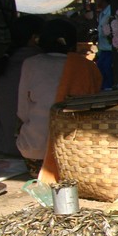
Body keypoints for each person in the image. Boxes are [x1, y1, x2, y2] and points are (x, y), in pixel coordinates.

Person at [16, 19, 102, 178]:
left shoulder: (30, 64)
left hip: (35, 152)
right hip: (76, 154)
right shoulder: (87, 67)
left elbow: (22, 113)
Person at [0, 15, 45, 155]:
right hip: (35, 148)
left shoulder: (2, 63)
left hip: (1, 143)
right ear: (34, 38)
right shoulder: (42, 62)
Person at [95, 0, 113, 90]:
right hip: (102, 52)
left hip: (109, 53)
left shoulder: (111, 11)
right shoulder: (102, 13)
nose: (95, 0)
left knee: (108, 83)